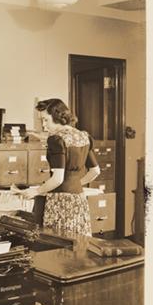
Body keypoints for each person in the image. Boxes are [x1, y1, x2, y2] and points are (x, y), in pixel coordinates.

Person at [22, 98, 101, 237]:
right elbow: (95, 171)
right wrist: (75, 184)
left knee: (59, 242)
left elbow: (58, 179)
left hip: (60, 202)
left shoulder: (56, 140)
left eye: (46, 120)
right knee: (78, 241)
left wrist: (36, 191)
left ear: (57, 116)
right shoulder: (83, 136)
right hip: (79, 200)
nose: (44, 125)